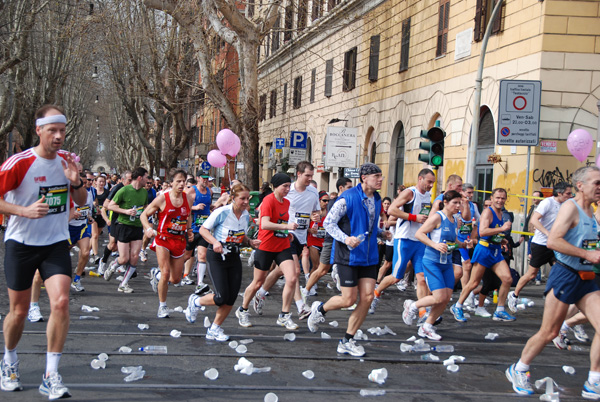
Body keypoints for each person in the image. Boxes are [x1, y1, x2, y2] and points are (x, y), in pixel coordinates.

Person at [0, 105, 86, 399]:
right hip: (21, 244)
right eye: (53, 131)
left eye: (62, 130)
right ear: (39, 130)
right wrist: (22, 210)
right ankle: (9, 360)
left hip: (55, 244)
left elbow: (82, 199)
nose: (59, 136)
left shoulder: (67, 161)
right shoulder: (19, 163)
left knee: (61, 302)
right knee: (19, 312)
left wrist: (77, 182)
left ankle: (51, 374)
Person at [506, 166, 600, 398]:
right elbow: (554, 242)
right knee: (549, 332)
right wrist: (587, 254)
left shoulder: (593, 212)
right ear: (580, 185)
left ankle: (594, 380)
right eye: (596, 183)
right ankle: (518, 368)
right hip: (566, 275)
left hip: (588, 278)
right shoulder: (571, 208)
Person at [306, 163, 392, 357]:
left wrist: (380, 233)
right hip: (349, 256)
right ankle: (320, 309)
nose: (380, 179)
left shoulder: (377, 198)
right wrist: (346, 239)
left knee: (368, 297)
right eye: (376, 176)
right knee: (348, 299)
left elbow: (368, 225)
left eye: (381, 176)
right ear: (364, 177)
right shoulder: (347, 198)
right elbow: (328, 223)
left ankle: (347, 340)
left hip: (369, 256)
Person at [185, 184, 261, 340]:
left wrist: (250, 242)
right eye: (243, 199)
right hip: (217, 256)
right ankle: (196, 301)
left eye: (248, 198)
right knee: (221, 297)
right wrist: (215, 242)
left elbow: (240, 236)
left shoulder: (246, 215)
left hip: (234, 257)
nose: (246, 202)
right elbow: (203, 230)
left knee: (231, 297)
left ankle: (214, 328)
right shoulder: (222, 212)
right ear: (233, 198)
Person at [255, 161, 320, 319]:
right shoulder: (286, 190)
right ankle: (300, 306)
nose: (310, 179)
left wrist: (316, 218)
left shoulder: (313, 192)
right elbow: (263, 210)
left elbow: (317, 211)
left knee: (280, 271)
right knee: (295, 272)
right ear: (298, 174)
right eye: (307, 176)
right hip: (286, 235)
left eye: (312, 176)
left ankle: (260, 293)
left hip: (302, 236)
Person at [406, 190, 472, 340]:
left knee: (446, 298)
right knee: (438, 297)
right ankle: (413, 306)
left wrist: (463, 244)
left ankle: (427, 326)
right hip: (432, 261)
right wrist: (434, 245)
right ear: (446, 203)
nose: (458, 206)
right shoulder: (437, 217)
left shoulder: (455, 219)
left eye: (459, 203)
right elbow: (419, 234)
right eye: (455, 203)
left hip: (446, 262)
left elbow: (453, 240)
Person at [236, 173, 299, 329]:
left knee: (292, 277)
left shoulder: (287, 203)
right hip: (266, 246)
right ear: (275, 186)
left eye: (289, 186)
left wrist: (287, 233)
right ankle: (242, 309)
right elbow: (264, 224)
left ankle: (284, 315)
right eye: (284, 186)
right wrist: (286, 227)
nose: (287, 189)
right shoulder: (268, 200)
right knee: (257, 283)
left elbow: (282, 223)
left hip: (282, 246)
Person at [369, 168, 435, 315]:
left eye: (433, 183)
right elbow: (392, 210)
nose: (431, 185)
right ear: (420, 179)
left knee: (422, 277)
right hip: (404, 239)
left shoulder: (428, 195)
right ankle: (376, 293)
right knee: (396, 277)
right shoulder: (410, 193)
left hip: (419, 240)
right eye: (429, 182)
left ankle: (422, 312)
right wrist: (413, 217)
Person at [451, 188, 516, 322]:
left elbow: (491, 233)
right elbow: (483, 231)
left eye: (503, 198)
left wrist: (500, 239)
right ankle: (457, 306)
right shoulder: (488, 212)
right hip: (484, 251)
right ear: (492, 198)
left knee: (508, 279)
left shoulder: (500, 213)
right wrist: (502, 229)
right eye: (497, 198)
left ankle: (500, 310)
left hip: (495, 250)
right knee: (474, 282)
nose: (500, 201)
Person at [508, 183, 573, 312]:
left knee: (561, 271)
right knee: (532, 274)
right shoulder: (547, 203)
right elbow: (534, 220)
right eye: (568, 193)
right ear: (559, 193)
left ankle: (556, 299)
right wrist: (548, 234)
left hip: (555, 245)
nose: (570, 196)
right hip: (541, 244)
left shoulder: (566, 205)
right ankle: (514, 295)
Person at [142, 169, 194, 317]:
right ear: (171, 183)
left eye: (183, 181)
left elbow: (187, 215)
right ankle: (162, 306)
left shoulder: (188, 199)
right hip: (163, 239)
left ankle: (156, 274)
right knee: (166, 273)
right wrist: (147, 228)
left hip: (179, 240)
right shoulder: (162, 199)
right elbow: (143, 215)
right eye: (178, 181)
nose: (181, 184)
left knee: (176, 279)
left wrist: (189, 230)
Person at [303, 178, 353, 294]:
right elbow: (332, 222)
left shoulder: (349, 201)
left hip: (344, 240)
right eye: (349, 187)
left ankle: (346, 294)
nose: (325, 203)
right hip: (330, 241)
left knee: (346, 267)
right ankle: (306, 290)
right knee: (321, 269)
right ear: (341, 188)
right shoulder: (334, 203)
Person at [104, 167, 149, 292]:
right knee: (124, 259)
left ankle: (124, 284)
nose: (147, 180)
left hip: (137, 227)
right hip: (124, 226)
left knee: (134, 257)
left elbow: (145, 207)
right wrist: (126, 211)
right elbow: (110, 205)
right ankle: (113, 265)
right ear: (139, 177)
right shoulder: (124, 190)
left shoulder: (144, 192)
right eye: (146, 177)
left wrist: (147, 221)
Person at [183, 173, 213, 294]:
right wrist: (195, 208)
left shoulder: (209, 191)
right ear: (198, 178)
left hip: (204, 229)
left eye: (207, 179)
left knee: (202, 255)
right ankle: (180, 273)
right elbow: (183, 207)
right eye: (204, 178)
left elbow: (209, 207)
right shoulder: (191, 191)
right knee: (186, 255)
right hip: (192, 228)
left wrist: (217, 205)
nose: (206, 181)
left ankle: (200, 283)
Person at [98, 171, 132, 275]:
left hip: (128, 220)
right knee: (113, 245)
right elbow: (106, 205)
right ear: (122, 180)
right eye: (129, 180)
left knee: (126, 244)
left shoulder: (134, 189)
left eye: (132, 180)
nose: (131, 182)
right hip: (116, 219)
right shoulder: (117, 188)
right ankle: (103, 261)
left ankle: (122, 264)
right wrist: (108, 219)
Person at [68, 172, 96, 292]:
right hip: (67, 228)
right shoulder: (69, 193)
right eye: (83, 182)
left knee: (85, 252)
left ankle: (77, 279)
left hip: (81, 227)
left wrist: (89, 217)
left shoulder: (89, 194)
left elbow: (87, 209)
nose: (85, 184)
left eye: (87, 182)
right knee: (61, 256)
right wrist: (71, 214)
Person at [91, 174, 108, 265]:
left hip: (102, 216)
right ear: (95, 182)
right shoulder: (92, 191)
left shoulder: (107, 192)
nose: (101, 183)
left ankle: (87, 250)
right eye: (100, 181)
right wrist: (94, 205)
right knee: (94, 236)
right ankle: (96, 255)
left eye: (103, 182)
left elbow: (109, 203)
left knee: (96, 234)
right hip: (93, 215)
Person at [139, 178, 158, 263]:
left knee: (149, 233)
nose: (148, 185)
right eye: (147, 183)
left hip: (148, 214)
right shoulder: (140, 191)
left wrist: (155, 214)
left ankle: (142, 250)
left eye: (150, 183)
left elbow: (155, 204)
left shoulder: (153, 191)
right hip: (138, 213)